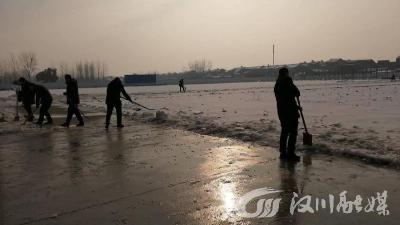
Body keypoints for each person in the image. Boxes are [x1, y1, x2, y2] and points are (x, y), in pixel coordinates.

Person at [274, 67, 301, 161]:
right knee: (293, 132)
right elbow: (296, 93)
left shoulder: (277, 84)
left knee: (285, 132)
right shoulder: (287, 81)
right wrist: (296, 107)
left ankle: (283, 152)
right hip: (290, 112)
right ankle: (290, 153)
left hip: (282, 112)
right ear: (286, 73)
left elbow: (284, 98)